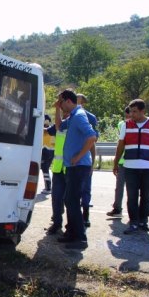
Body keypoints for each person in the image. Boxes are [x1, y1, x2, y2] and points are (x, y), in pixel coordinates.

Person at [113, 99, 149, 234]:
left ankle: (143, 222)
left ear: (143, 111)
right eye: (131, 111)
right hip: (130, 166)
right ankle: (133, 222)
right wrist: (116, 162)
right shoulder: (126, 125)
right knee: (132, 196)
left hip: (148, 167)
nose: (132, 115)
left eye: (135, 112)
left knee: (146, 196)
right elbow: (120, 145)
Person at [58, 89, 97, 249]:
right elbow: (59, 127)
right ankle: (72, 233)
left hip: (79, 166)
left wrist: (79, 156)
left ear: (68, 101)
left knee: (72, 201)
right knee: (69, 200)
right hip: (73, 166)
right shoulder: (73, 116)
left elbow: (92, 137)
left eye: (61, 102)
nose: (59, 105)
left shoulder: (80, 116)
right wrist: (57, 109)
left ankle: (80, 238)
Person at [45, 99, 69, 235]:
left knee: (70, 200)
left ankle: (71, 226)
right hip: (59, 168)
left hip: (71, 168)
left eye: (63, 110)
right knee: (56, 198)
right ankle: (57, 223)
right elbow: (48, 131)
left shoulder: (75, 121)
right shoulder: (59, 125)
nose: (62, 113)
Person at [76, 94, 98, 227]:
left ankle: (85, 215)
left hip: (84, 160)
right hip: (70, 160)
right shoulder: (67, 114)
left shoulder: (90, 117)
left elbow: (93, 140)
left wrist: (92, 163)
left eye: (79, 100)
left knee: (85, 189)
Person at [107, 106, 130, 218]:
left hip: (133, 162)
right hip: (122, 161)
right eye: (126, 116)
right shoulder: (122, 124)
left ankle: (134, 212)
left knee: (133, 188)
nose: (127, 118)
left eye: (129, 116)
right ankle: (117, 208)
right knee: (119, 186)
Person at [40, 114, 55, 194]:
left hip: (46, 150)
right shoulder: (52, 128)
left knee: (45, 168)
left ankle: (48, 187)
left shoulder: (45, 130)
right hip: (52, 151)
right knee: (46, 168)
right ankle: (48, 186)